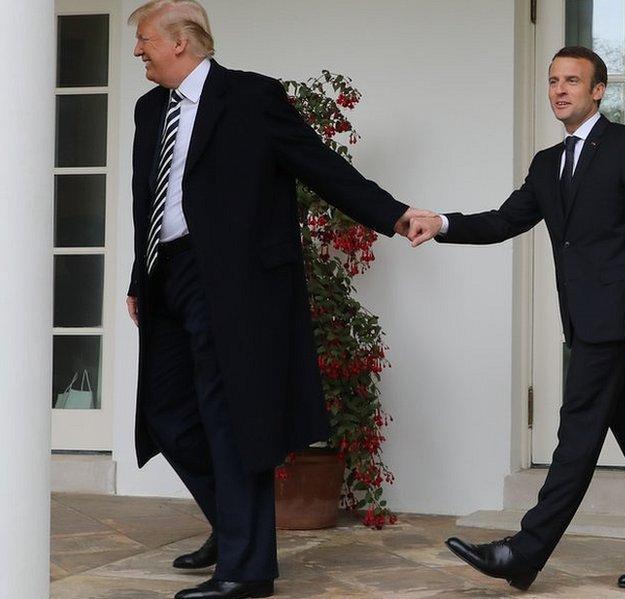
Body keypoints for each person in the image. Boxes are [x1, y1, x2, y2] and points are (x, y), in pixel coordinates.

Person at [124, 2, 431, 598]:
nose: (138, 51)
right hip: (170, 276)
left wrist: (393, 215)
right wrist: (142, 277)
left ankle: (246, 570)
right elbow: (149, 202)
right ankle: (234, 526)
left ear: (180, 43)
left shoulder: (250, 97)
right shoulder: (148, 109)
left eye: (144, 40)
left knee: (227, 416)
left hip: (234, 283)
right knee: (166, 414)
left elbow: (320, 167)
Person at [408, 46, 625, 591]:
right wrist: (442, 222)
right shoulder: (547, 164)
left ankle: (524, 551)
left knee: (576, 438)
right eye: (552, 81)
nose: (559, 90)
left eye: (572, 80)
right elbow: (504, 220)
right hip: (583, 320)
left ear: (598, 91)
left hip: (615, 321)